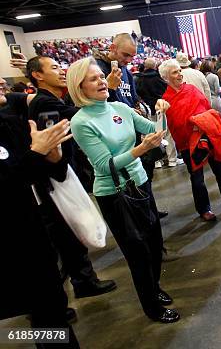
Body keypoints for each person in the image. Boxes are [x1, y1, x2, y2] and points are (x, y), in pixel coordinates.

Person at [67, 57, 179, 323]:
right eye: (93, 79)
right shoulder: (81, 122)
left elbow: (156, 131)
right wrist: (142, 149)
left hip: (140, 184)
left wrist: (162, 111)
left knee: (153, 246)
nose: (102, 81)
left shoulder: (119, 107)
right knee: (137, 253)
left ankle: (154, 288)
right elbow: (105, 166)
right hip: (115, 193)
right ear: (79, 87)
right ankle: (151, 306)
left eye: (101, 76)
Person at [24, 55, 117, 299]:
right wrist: (105, 93)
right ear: (38, 75)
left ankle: (79, 279)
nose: (61, 70)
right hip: (54, 178)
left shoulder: (52, 99)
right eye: (54, 68)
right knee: (66, 230)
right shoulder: (44, 103)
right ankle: (83, 281)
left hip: (61, 173)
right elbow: (78, 116)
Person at [0, 88, 80, 347]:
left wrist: (53, 158)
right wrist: (36, 154)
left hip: (36, 231)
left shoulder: (11, 123)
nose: (2, 81)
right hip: (12, 244)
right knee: (45, 318)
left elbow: (42, 170)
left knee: (53, 311)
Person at [159, 59, 221, 221]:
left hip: (208, 136)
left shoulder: (191, 89)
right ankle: (204, 209)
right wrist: (194, 122)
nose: (180, 74)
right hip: (188, 144)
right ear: (166, 78)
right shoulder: (166, 100)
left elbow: (206, 107)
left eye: (179, 70)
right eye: (175, 72)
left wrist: (202, 121)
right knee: (197, 180)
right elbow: (174, 124)